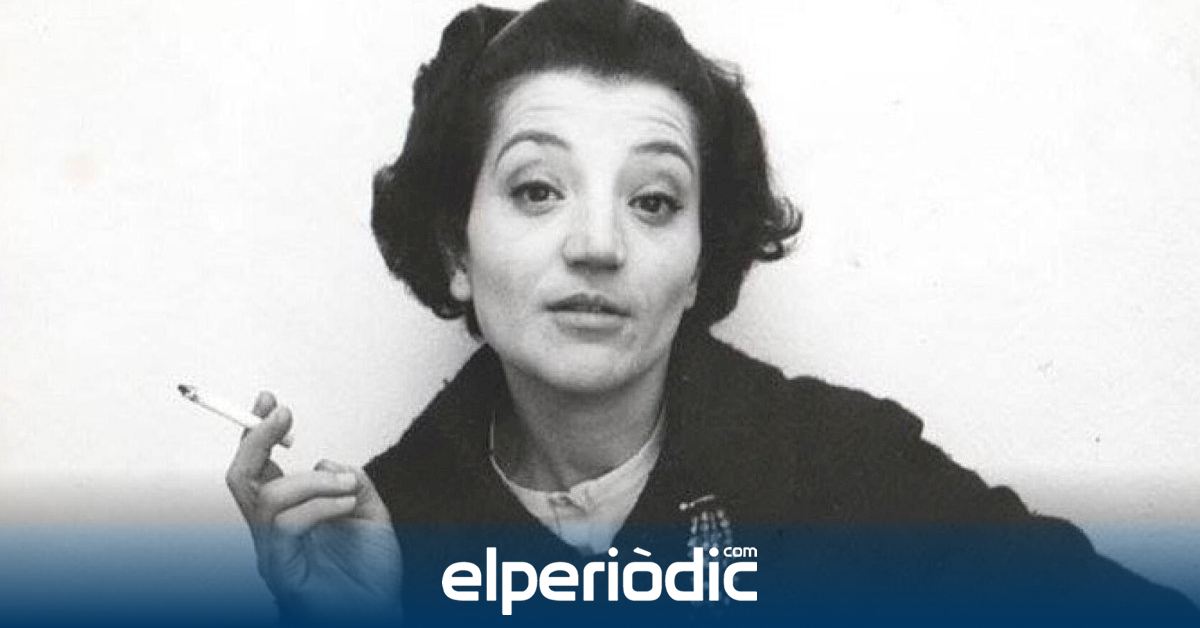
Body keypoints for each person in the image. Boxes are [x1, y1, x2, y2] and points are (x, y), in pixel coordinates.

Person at [224, 0, 1199, 625]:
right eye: (537, 190)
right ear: (455, 251)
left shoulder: (846, 470)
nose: (598, 243)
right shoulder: (388, 532)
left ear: (699, 263)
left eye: (653, 200)